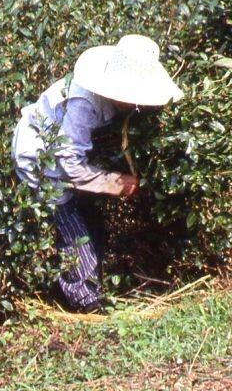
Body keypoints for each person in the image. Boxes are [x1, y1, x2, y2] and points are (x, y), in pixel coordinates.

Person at [11, 34, 183, 312]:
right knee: (70, 226)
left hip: (68, 157)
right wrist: (113, 182)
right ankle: (85, 301)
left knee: (91, 220)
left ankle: (91, 285)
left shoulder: (109, 101)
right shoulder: (84, 103)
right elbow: (67, 163)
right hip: (41, 159)